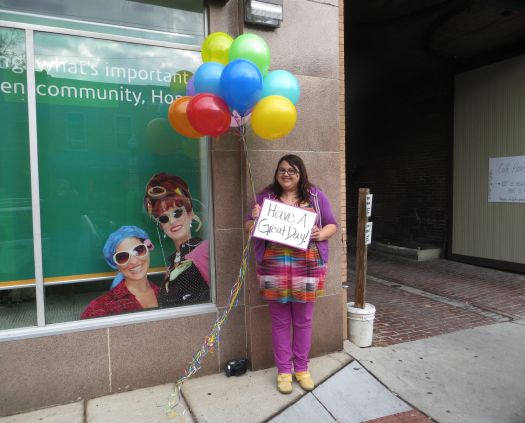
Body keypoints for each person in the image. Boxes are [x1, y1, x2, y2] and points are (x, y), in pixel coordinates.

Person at [245, 154, 337, 394]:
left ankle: (302, 369)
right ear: (277, 173)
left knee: (304, 320)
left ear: (300, 173)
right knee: (280, 321)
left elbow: (332, 224)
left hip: (306, 267)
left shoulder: (315, 196)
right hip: (274, 266)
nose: (286, 174)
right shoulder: (265, 197)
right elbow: (249, 227)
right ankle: (284, 370)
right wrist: (253, 219)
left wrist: (321, 234)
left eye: (292, 170)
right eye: (282, 170)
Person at [144, 172, 210, 307]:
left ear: (190, 214)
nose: (172, 221)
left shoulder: (206, 251)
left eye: (177, 212)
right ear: (161, 225)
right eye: (164, 218)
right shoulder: (173, 263)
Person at [81, 226, 159, 319]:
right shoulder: (99, 308)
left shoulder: (167, 292)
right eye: (123, 257)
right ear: (115, 264)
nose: (133, 261)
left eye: (138, 250)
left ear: (148, 249)